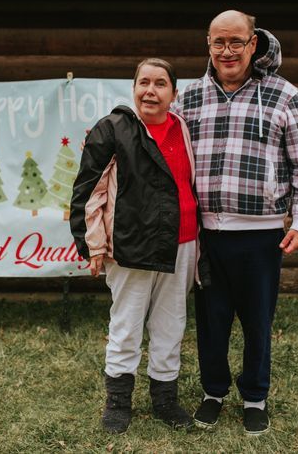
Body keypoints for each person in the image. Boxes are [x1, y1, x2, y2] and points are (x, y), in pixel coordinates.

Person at [172, 10, 298, 436]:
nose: (227, 51)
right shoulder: (189, 97)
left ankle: (255, 397)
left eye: (236, 42)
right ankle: (213, 393)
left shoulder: (285, 95)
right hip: (206, 236)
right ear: (208, 45)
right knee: (212, 319)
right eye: (219, 42)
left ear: (254, 43)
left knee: (258, 321)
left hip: (262, 235)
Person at [70, 58, 198, 434]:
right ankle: (118, 403)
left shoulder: (183, 129)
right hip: (132, 244)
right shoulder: (113, 129)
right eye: (144, 82)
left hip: (183, 242)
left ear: (174, 93)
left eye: (160, 84)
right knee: (126, 325)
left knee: (171, 325)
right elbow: (87, 191)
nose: (150, 91)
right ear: (133, 88)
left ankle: (165, 400)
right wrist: (91, 244)